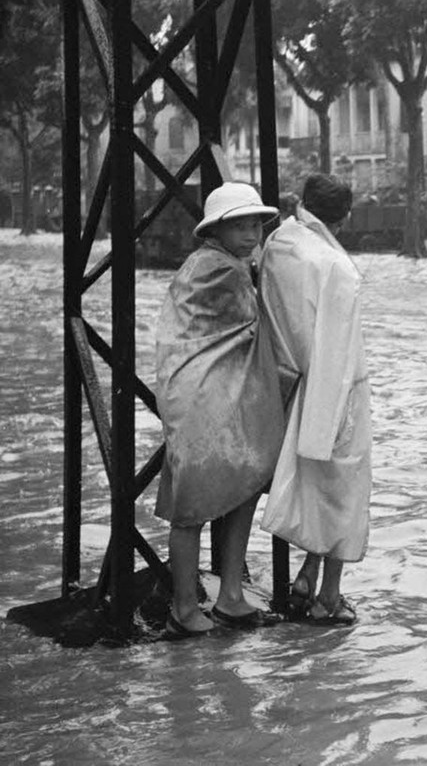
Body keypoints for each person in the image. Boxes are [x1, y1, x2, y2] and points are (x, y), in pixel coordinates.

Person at [154, 182, 286, 637]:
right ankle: (186, 606)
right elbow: (263, 321)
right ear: (219, 229)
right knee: (192, 507)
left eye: (257, 225)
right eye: (242, 225)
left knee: (239, 485)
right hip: (202, 402)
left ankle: (227, 594)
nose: (252, 234)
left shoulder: (213, 263)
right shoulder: (222, 271)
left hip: (214, 398)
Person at [258, 174, 371, 626]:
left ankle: (306, 575)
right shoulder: (337, 268)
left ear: (303, 203)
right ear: (344, 217)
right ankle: (329, 594)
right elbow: (339, 355)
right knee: (344, 491)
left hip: (285, 380)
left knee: (313, 487)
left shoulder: (278, 243)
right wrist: (337, 420)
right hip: (335, 390)